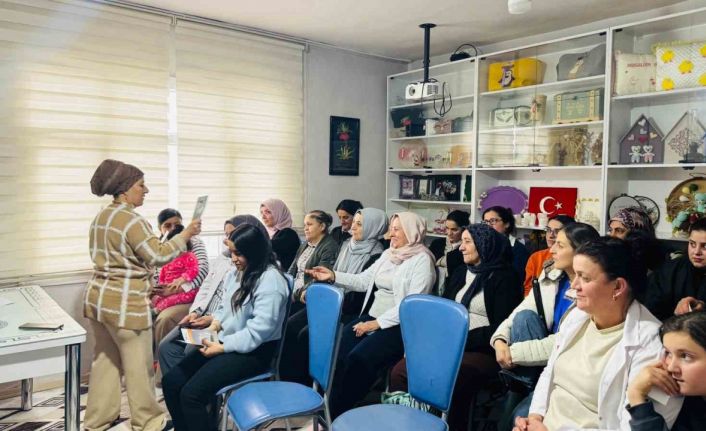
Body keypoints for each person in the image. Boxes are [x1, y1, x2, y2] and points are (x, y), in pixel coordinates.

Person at [513, 237, 682, 431]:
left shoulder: (652, 345)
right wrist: (534, 418)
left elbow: (635, 425)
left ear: (618, 287)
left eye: (584, 278)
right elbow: (550, 372)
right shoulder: (578, 316)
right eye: (575, 275)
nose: (574, 285)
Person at [83, 159, 201, 431]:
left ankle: (97, 421)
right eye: (141, 185)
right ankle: (149, 422)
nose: (146, 190)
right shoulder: (131, 220)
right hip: (126, 305)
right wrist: (185, 235)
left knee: (105, 363)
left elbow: (118, 260)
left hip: (99, 301)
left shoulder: (101, 216)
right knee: (139, 367)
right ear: (124, 190)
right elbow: (158, 255)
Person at [389, 223, 523, 431]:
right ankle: (408, 423)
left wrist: (461, 340)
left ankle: (449, 426)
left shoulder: (504, 277)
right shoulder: (461, 272)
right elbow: (444, 310)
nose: (461, 247)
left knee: (451, 380)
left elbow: (503, 326)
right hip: (449, 343)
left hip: (483, 349)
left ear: (484, 245)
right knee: (400, 371)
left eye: (467, 242)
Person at [306, 212, 436, 417]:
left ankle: (339, 414)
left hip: (399, 326)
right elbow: (364, 280)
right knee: (337, 352)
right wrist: (333, 275)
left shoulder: (422, 261)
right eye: (391, 229)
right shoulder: (389, 254)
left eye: (396, 229)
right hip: (372, 318)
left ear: (411, 232)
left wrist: (376, 324)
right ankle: (326, 410)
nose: (390, 234)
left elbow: (410, 305)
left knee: (358, 359)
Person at [162, 224, 289, 431]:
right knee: (171, 382)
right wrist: (214, 326)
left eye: (238, 253)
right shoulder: (237, 273)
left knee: (191, 395)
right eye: (231, 252)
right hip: (226, 340)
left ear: (254, 251)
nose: (233, 258)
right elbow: (223, 309)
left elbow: (258, 332)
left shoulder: (271, 281)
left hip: (254, 351)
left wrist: (221, 347)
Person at [493, 223, 599, 427]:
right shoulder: (551, 274)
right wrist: (500, 340)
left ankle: (518, 391)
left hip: (565, 365)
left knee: (515, 416)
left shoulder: (590, 289)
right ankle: (522, 389)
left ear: (580, 251)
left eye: (560, 245)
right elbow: (523, 307)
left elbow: (563, 343)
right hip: (539, 364)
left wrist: (511, 353)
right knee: (524, 316)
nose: (552, 250)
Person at [280, 208, 388, 385]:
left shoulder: (377, 255)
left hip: (348, 308)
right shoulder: (347, 245)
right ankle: (290, 380)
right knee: (291, 326)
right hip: (330, 300)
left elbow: (359, 291)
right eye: (354, 223)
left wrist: (330, 289)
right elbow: (330, 275)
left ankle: (306, 383)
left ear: (372, 227)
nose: (352, 227)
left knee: (306, 334)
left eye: (359, 224)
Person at [157, 215, 268, 377]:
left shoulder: (253, 271)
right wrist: (195, 312)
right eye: (226, 234)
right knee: (167, 346)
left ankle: (189, 385)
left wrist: (212, 320)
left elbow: (238, 315)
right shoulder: (223, 258)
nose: (227, 240)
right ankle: (177, 383)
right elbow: (206, 287)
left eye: (232, 234)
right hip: (204, 317)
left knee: (191, 349)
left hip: (219, 325)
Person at [627, 311, 706, 431]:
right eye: (668, 353)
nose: (671, 368)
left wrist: (636, 396)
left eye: (685, 356)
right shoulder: (689, 400)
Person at [153, 208, 210, 345]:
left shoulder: (193, 242)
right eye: (167, 225)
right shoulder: (157, 248)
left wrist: (178, 289)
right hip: (163, 295)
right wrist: (156, 290)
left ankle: (162, 357)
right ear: (160, 228)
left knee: (165, 319)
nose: (173, 228)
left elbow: (202, 270)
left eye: (177, 225)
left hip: (188, 296)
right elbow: (155, 275)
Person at [644, 218, 706, 321]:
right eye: (692, 244)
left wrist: (703, 310)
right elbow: (650, 311)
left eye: (704, 246)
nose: (696, 252)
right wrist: (676, 320)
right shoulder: (669, 271)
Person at [288, 210, 339, 310]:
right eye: (304, 225)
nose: (305, 228)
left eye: (309, 224)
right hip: (293, 290)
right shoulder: (305, 244)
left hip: (305, 295)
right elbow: (292, 268)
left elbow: (319, 278)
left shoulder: (329, 247)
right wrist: (284, 285)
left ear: (322, 226)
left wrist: (294, 295)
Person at [152, 225, 200, 313]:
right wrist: (161, 285)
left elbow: (194, 270)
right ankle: (154, 310)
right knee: (156, 299)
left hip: (186, 291)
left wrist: (182, 279)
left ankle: (156, 311)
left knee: (168, 301)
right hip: (168, 289)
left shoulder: (189, 256)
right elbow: (163, 274)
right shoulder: (168, 258)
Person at [523, 215, 575, 296]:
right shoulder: (536, 257)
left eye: (557, 231)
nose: (550, 235)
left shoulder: (574, 259)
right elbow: (528, 289)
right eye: (548, 230)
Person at [483, 206, 530, 284]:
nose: (488, 225)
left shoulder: (519, 250)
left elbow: (517, 280)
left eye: (493, 221)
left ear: (507, 224)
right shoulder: (482, 246)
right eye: (485, 222)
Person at [429, 210, 470, 296]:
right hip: (431, 290)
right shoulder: (437, 244)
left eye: (454, 229)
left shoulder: (466, 249)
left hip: (453, 294)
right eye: (447, 228)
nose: (449, 233)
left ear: (464, 230)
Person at [260, 198, 300, 270]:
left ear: (279, 213)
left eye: (268, 212)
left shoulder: (289, 234)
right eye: (261, 213)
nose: (263, 217)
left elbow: (266, 247)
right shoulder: (271, 233)